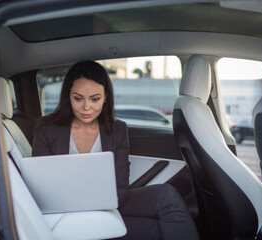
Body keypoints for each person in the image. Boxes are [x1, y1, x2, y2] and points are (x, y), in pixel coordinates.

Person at [32, 60, 200, 240]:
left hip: (108, 203)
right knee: (156, 229)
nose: (86, 107)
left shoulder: (117, 129)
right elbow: (41, 188)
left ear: (106, 97)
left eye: (95, 99)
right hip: (65, 208)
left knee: (166, 195)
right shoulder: (47, 128)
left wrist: (102, 205)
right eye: (78, 98)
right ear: (68, 96)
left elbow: (122, 188)